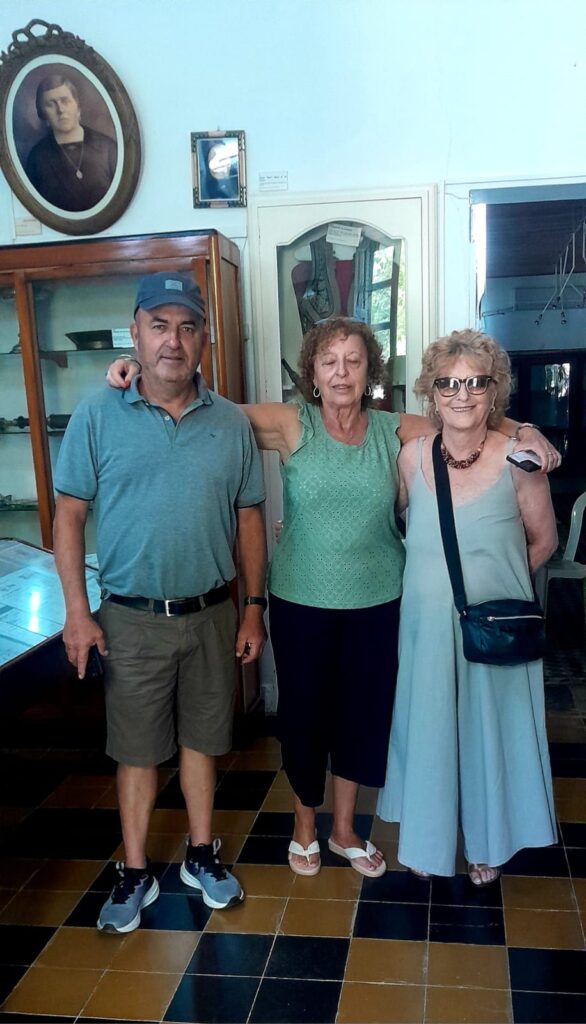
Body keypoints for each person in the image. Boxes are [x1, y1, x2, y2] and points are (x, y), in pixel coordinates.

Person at [107, 318, 560, 878]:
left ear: (371, 372)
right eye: (329, 361)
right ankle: (305, 829)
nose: (341, 372)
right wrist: (144, 373)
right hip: (301, 601)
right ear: (313, 373)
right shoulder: (290, 423)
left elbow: (467, 413)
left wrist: (527, 430)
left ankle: (344, 830)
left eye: (354, 361)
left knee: (362, 719)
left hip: (380, 601)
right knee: (304, 719)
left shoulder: (393, 430)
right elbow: (208, 411)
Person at [53, 272, 266, 933]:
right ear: (136, 334)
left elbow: (249, 518)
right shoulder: (97, 415)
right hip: (130, 617)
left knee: (204, 740)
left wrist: (253, 607)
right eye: (159, 325)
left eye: (187, 327)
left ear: (203, 339)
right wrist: (77, 612)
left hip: (212, 612)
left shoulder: (230, 422)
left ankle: (201, 856)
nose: (173, 340)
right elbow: (68, 516)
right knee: (137, 750)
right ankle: (136, 870)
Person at [377, 330, 558, 884]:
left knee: (488, 735)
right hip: (426, 628)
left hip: (493, 628)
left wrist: (496, 589)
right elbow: (392, 525)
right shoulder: (411, 459)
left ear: (493, 390)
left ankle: (486, 845)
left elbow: (543, 541)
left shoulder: (520, 460)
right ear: (431, 394)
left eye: (475, 382)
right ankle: (429, 844)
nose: (462, 395)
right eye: (448, 384)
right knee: (431, 730)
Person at [25, 74, 117, 211]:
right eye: (51, 104)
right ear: (44, 115)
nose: (60, 110)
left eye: (65, 101)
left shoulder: (108, 148)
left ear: (78, 107)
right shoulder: (37, 158)